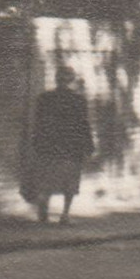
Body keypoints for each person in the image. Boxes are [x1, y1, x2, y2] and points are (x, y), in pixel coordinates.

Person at [27, 66, 94, 224]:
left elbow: (38, 124)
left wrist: (36, 143)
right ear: (71, 80)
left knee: (47, 179)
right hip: (71, 147)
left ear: (56, 79)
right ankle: (64, 215)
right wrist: (89, 145)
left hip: (49, 146)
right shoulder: (78, 100)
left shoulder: (44, 98)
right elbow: (83, 125)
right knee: (69, 182)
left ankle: (44, 212)